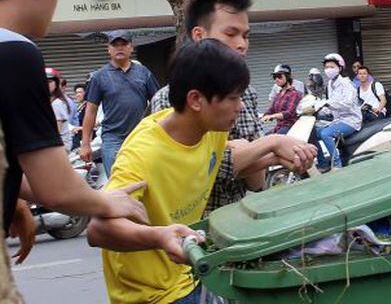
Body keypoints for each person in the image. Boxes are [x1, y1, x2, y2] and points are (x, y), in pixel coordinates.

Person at [88, 38, 315, 304]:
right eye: (232, 98)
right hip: (153, 296)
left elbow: (220, 163)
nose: (239, 106)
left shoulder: (211, 131)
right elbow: (97, 230)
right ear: (196, 99)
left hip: (190, 275)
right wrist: (159, 236)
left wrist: (276, 153)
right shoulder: (142, 154)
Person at [0, 0, 149, 264]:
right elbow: (55, 190)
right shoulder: (14, 52)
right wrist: (107, 202)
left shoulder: (142, 74)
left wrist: (15, 197)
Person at [151, 0, 316, 215]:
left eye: (246, 36)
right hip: (191, 230)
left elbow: (255, 183)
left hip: (238, 220)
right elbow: (196, 167)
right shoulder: (169, 98)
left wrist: (272, 155)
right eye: (231, 34)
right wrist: (270, 145)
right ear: (199, 35)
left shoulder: (246, 94)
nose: (241, 45)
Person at [80, 30, 160, 177]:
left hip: (140, 136)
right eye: (115, 45)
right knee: (118, 182)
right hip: (112, 139)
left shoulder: (144, 73)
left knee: (144, 179)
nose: (119, 48)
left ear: (131, 47)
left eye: (124, 44)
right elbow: (90, 111)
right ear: (108, 49)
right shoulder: (99, 76)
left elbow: (158, 104)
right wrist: (85, 144)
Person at [316, 53, 362, 171]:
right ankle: (322, 164)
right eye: (326, 67)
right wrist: (318, 109)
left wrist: (328, 104)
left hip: (350, 120)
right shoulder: (331, 84)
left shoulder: (346, 84)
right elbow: (332, 104)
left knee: (325, 134)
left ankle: (337, 164)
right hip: (338, 120)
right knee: (315, 132)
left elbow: (347, 104)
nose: (328, 70)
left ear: (340, 68)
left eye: (331, 67)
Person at [261, 64, 302, 134]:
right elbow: (271, 109)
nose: (276, 79)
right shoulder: (278, 94)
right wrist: (264, 116)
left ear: (287, 77)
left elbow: (289, 113)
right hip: (279, 126)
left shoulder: (295, 94)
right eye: (274, 77)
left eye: (279, 76)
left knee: (274, 140)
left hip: (290, 127)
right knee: (263, 139)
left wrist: (272, 116)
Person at [46, 67, 73, 153]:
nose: (47, 84)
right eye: (44, 82)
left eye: (50, 82)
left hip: (59, 145)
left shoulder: (57, 103)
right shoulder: (49, 102)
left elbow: (57, 129)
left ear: (57, 83)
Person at [71, 83, 87, 149]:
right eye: (76, 93)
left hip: (86, 138)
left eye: (80, 92)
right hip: (77, 136)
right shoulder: (78, 107)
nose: (78, 95)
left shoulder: (89, 106)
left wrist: (80, 128)